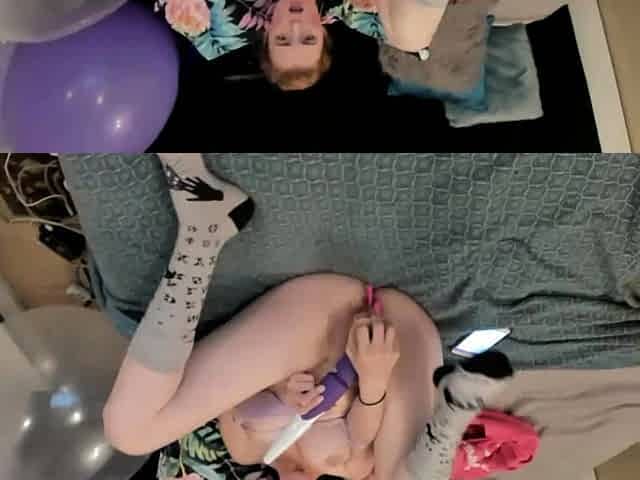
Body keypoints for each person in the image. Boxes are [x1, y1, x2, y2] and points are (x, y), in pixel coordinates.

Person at [103, 154, 513, 480]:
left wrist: (280, 394)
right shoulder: (354, 470)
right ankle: (455, 410)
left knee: (129, 433)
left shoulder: (246, 451)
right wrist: (372, 382)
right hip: (396, 337)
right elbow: (363, 434)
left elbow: (234, 391)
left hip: (315, 322)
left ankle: (204, 225)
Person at [158, 0, 449, 91]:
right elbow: (417, 42)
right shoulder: (351, 6)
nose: (295, 25)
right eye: (309, 38)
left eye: (282, 39)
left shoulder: (220, 21)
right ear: (323, 34)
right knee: (410, 37)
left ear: (267, 35)